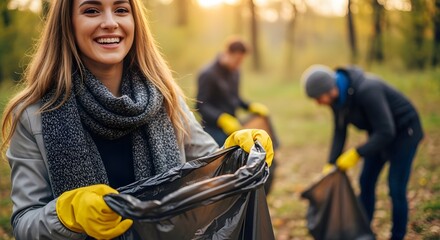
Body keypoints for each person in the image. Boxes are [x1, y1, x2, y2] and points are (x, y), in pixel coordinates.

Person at [0, 0, 274, 239]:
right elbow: (25, 224)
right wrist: (65, 215)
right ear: (67, 23)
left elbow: (212, 175)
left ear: (134, 21)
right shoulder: (33, 114)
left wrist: (240, 155)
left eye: (121, 9)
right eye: (92, 10)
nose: (110, 22)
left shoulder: (166, 98)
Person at [301, 65, 424, 240]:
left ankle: (397, 235)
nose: (317, 103)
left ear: (328, 90)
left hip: (404, 133)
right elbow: (339, 130)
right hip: (379, 135)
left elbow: (387, 131)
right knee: (365, 181)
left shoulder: (367, 90)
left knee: (396, 188)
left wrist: (357, 153)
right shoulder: (338, 101)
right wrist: (331, 162)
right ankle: (362, 233)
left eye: (317, 98)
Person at [196, 38, 269, 145]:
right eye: (237, 60)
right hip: (213, 129)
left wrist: (249, 106)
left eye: (241, 61)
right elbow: (201, 105)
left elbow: (235, 97)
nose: (239, 64)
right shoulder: (208, 74)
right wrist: (221, 118)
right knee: (229, 155)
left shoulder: (235, 72)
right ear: (227, 53)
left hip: (233, 125)